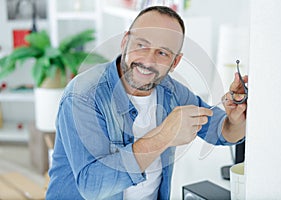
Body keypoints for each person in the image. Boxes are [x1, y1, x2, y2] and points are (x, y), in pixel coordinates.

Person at [46, 6, 247, 200]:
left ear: (175, 62)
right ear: (125, 42)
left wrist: (236, 119)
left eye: (162, 53)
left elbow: (220, 132)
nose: (148, 61)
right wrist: (164, 135)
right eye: (141, 45)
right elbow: (92, 187)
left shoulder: (171, 90)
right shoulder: (83, 95)